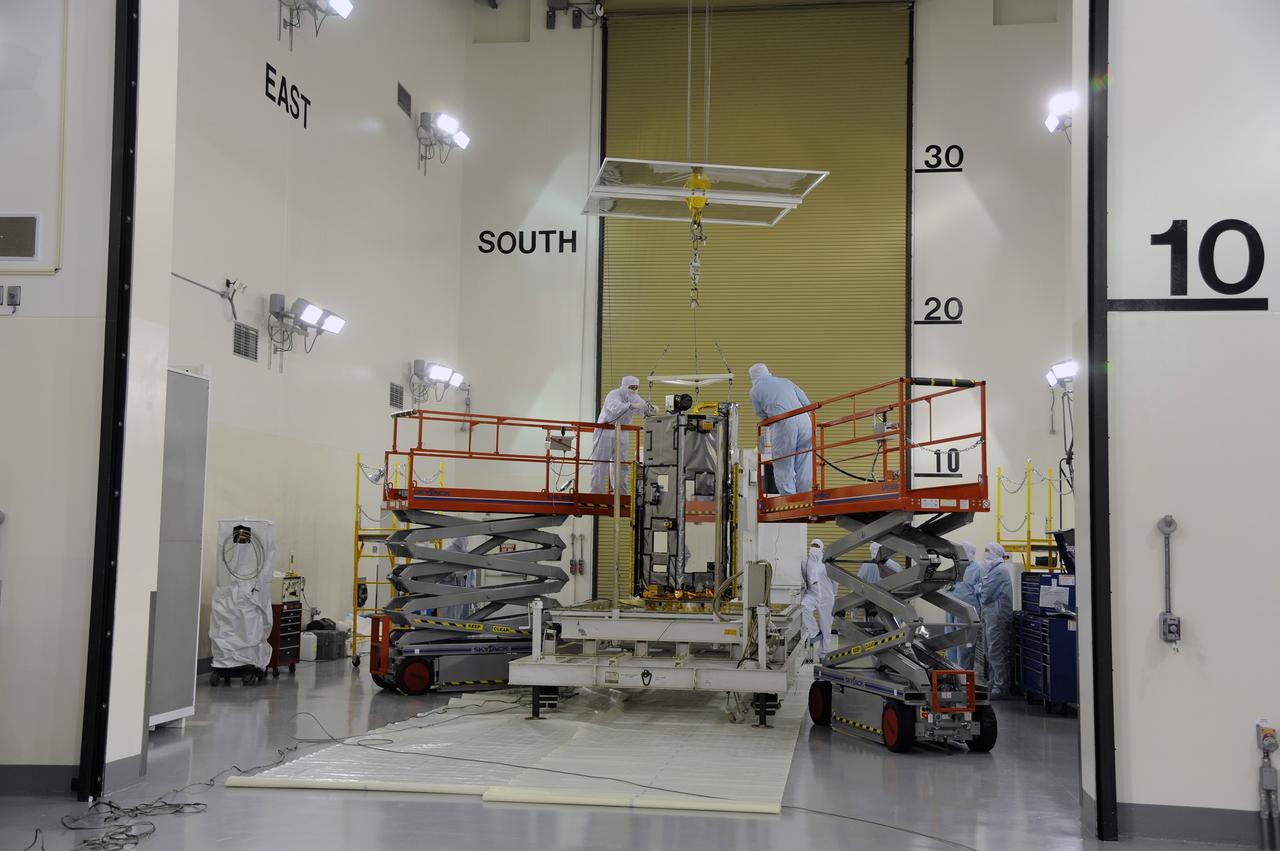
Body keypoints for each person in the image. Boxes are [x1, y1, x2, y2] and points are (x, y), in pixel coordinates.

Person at [748, 363, 813, 495]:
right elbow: (806, 402)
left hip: (783, 422)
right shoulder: (786, 381)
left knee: (783, 461)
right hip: (805, 420)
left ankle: (789, 499)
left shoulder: (755, 390)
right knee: (804, 459)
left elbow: (761, 414)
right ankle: (803, 495)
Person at [590, 375, 653, 494]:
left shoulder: (634, 397)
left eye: (636, 387)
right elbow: (615, 408)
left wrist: (650, 409)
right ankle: (596, 492)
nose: (633, 390)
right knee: (601, 462)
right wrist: (629, 405)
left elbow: (642, 408)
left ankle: (621, 493)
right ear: (625, 385)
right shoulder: (614, 394)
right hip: (605, 430)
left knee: (621, 464)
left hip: (622, 431)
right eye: (631, 387)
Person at [977, 542, 1014, 698]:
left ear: (996, 553)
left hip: (997, 617)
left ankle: (1001, 687)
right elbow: (982, 589)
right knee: (989, 651)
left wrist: (980, 588)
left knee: (996, 651)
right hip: (990, 615)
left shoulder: (999, 570)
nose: (985, 554)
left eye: (988, 551)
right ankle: (993, 683)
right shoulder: (991, 570)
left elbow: (985, 594)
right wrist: (980, 588)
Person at [947, 541, 980, 668]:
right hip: (951, 607)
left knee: (965, 644)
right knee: (951, 640)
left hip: (967, 612)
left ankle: (964, 673)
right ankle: (952, 669)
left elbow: (981, 592)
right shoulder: (957, 567)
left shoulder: (977, 569)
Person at [800, 539, 835, 656]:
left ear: (821, 548)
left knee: (826, 626)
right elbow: (804, 576)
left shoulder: (826, 562)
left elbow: (834, 580)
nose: (814, 548)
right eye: (813, 545)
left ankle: (823, 654)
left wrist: (833, 594)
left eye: (817, 546)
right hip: (812, 593)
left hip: (826, 596)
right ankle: (814, 632)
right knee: (803, 607)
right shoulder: (805, 561)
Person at [439, 536, 473, 621]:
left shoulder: (467, 554)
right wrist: (454, 574)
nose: (465, 540)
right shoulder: (448, 551)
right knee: (449, 618)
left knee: (462, 618)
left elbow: (471, 576)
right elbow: (440, 574)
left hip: (464, 593)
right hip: (450, 592)